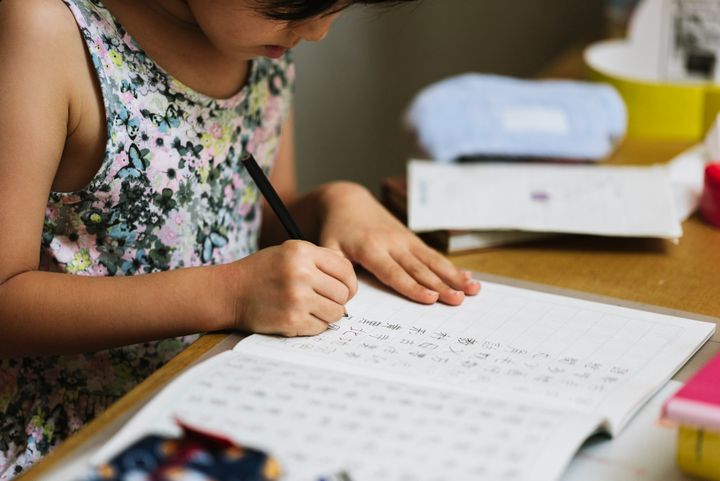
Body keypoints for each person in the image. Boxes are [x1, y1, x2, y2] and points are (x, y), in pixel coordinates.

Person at [0, 0, 481, 477]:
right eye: (299, 4)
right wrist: (228, 294)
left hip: (219, 401)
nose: (316, 32)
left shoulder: (262, 46)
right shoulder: (47, 31)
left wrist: (335, 202)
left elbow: (258, 215)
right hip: (73, 439)